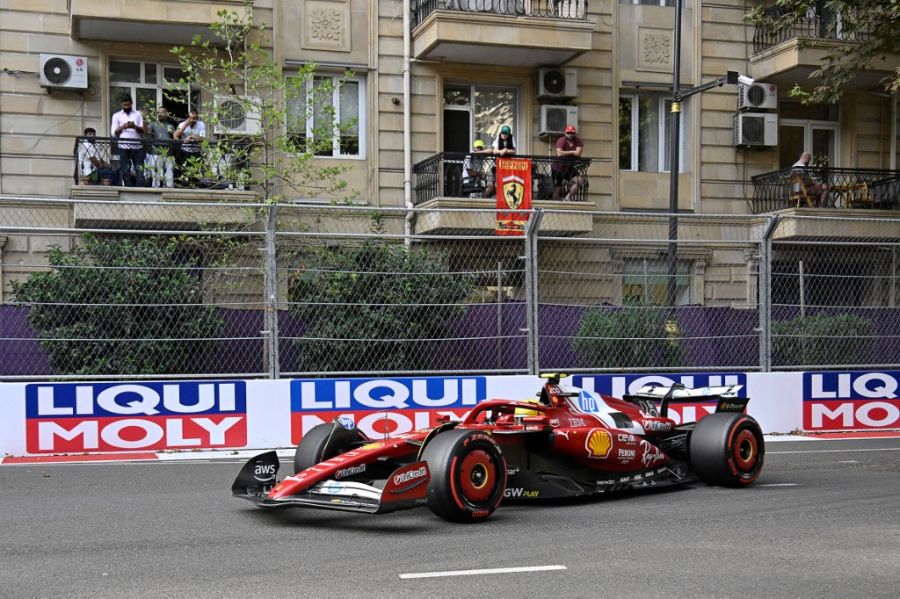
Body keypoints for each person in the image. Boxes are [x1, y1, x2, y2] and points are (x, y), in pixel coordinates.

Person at [110, 95, 145, 186]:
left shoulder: (138, 114)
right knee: (125, 169)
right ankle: (128, 188)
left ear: (131, 103)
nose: (126, 107)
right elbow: (114, 133)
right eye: (124, 105)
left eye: (128, 105)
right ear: (121, 104)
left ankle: (140, 189)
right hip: (123, 146)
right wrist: (123, 126)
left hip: (137, 146)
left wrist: (134, 126)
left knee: (139, 169)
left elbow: (142, 131)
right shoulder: (116, 115)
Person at [553, 124, 586, 201]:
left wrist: (566, 152)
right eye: (568, 133)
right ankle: (556, 207)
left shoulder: (578, 141)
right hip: (558, 167)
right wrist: (572, 151)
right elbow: (559, 154)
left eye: (572, 133)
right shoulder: (561, 140)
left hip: (569, 168)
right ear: (565, 133)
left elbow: (578, 153)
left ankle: (567, 198)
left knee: (580, 181)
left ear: (575, 133)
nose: (570, 134)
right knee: (558, 189)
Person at [145, 106, 176, 188]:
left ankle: (169, 188)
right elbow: (147, 132)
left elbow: (174, 136)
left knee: (169, 172)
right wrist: (144, 121)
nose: (160, 114)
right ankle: (156, 188)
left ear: (166, 114)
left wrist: (173, 134)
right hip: (156, 152)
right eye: (158, 112)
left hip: (168, 152)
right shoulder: (153, 124)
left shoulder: (170, 125)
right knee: (156, 172)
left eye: (162, 112)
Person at [174, 109, 207, 185]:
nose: (193, 121)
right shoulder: (182, 124)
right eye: (191, 118)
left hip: (196, 152)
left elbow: (203, 138)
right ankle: (184, 187)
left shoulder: (201, 124)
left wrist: (192, 137)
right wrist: (186, 125)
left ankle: (194, 188)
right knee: (184, 172)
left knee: (195, 173)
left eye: (194, 119)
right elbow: (175, 135)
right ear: (188, 118)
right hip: (184, 151)